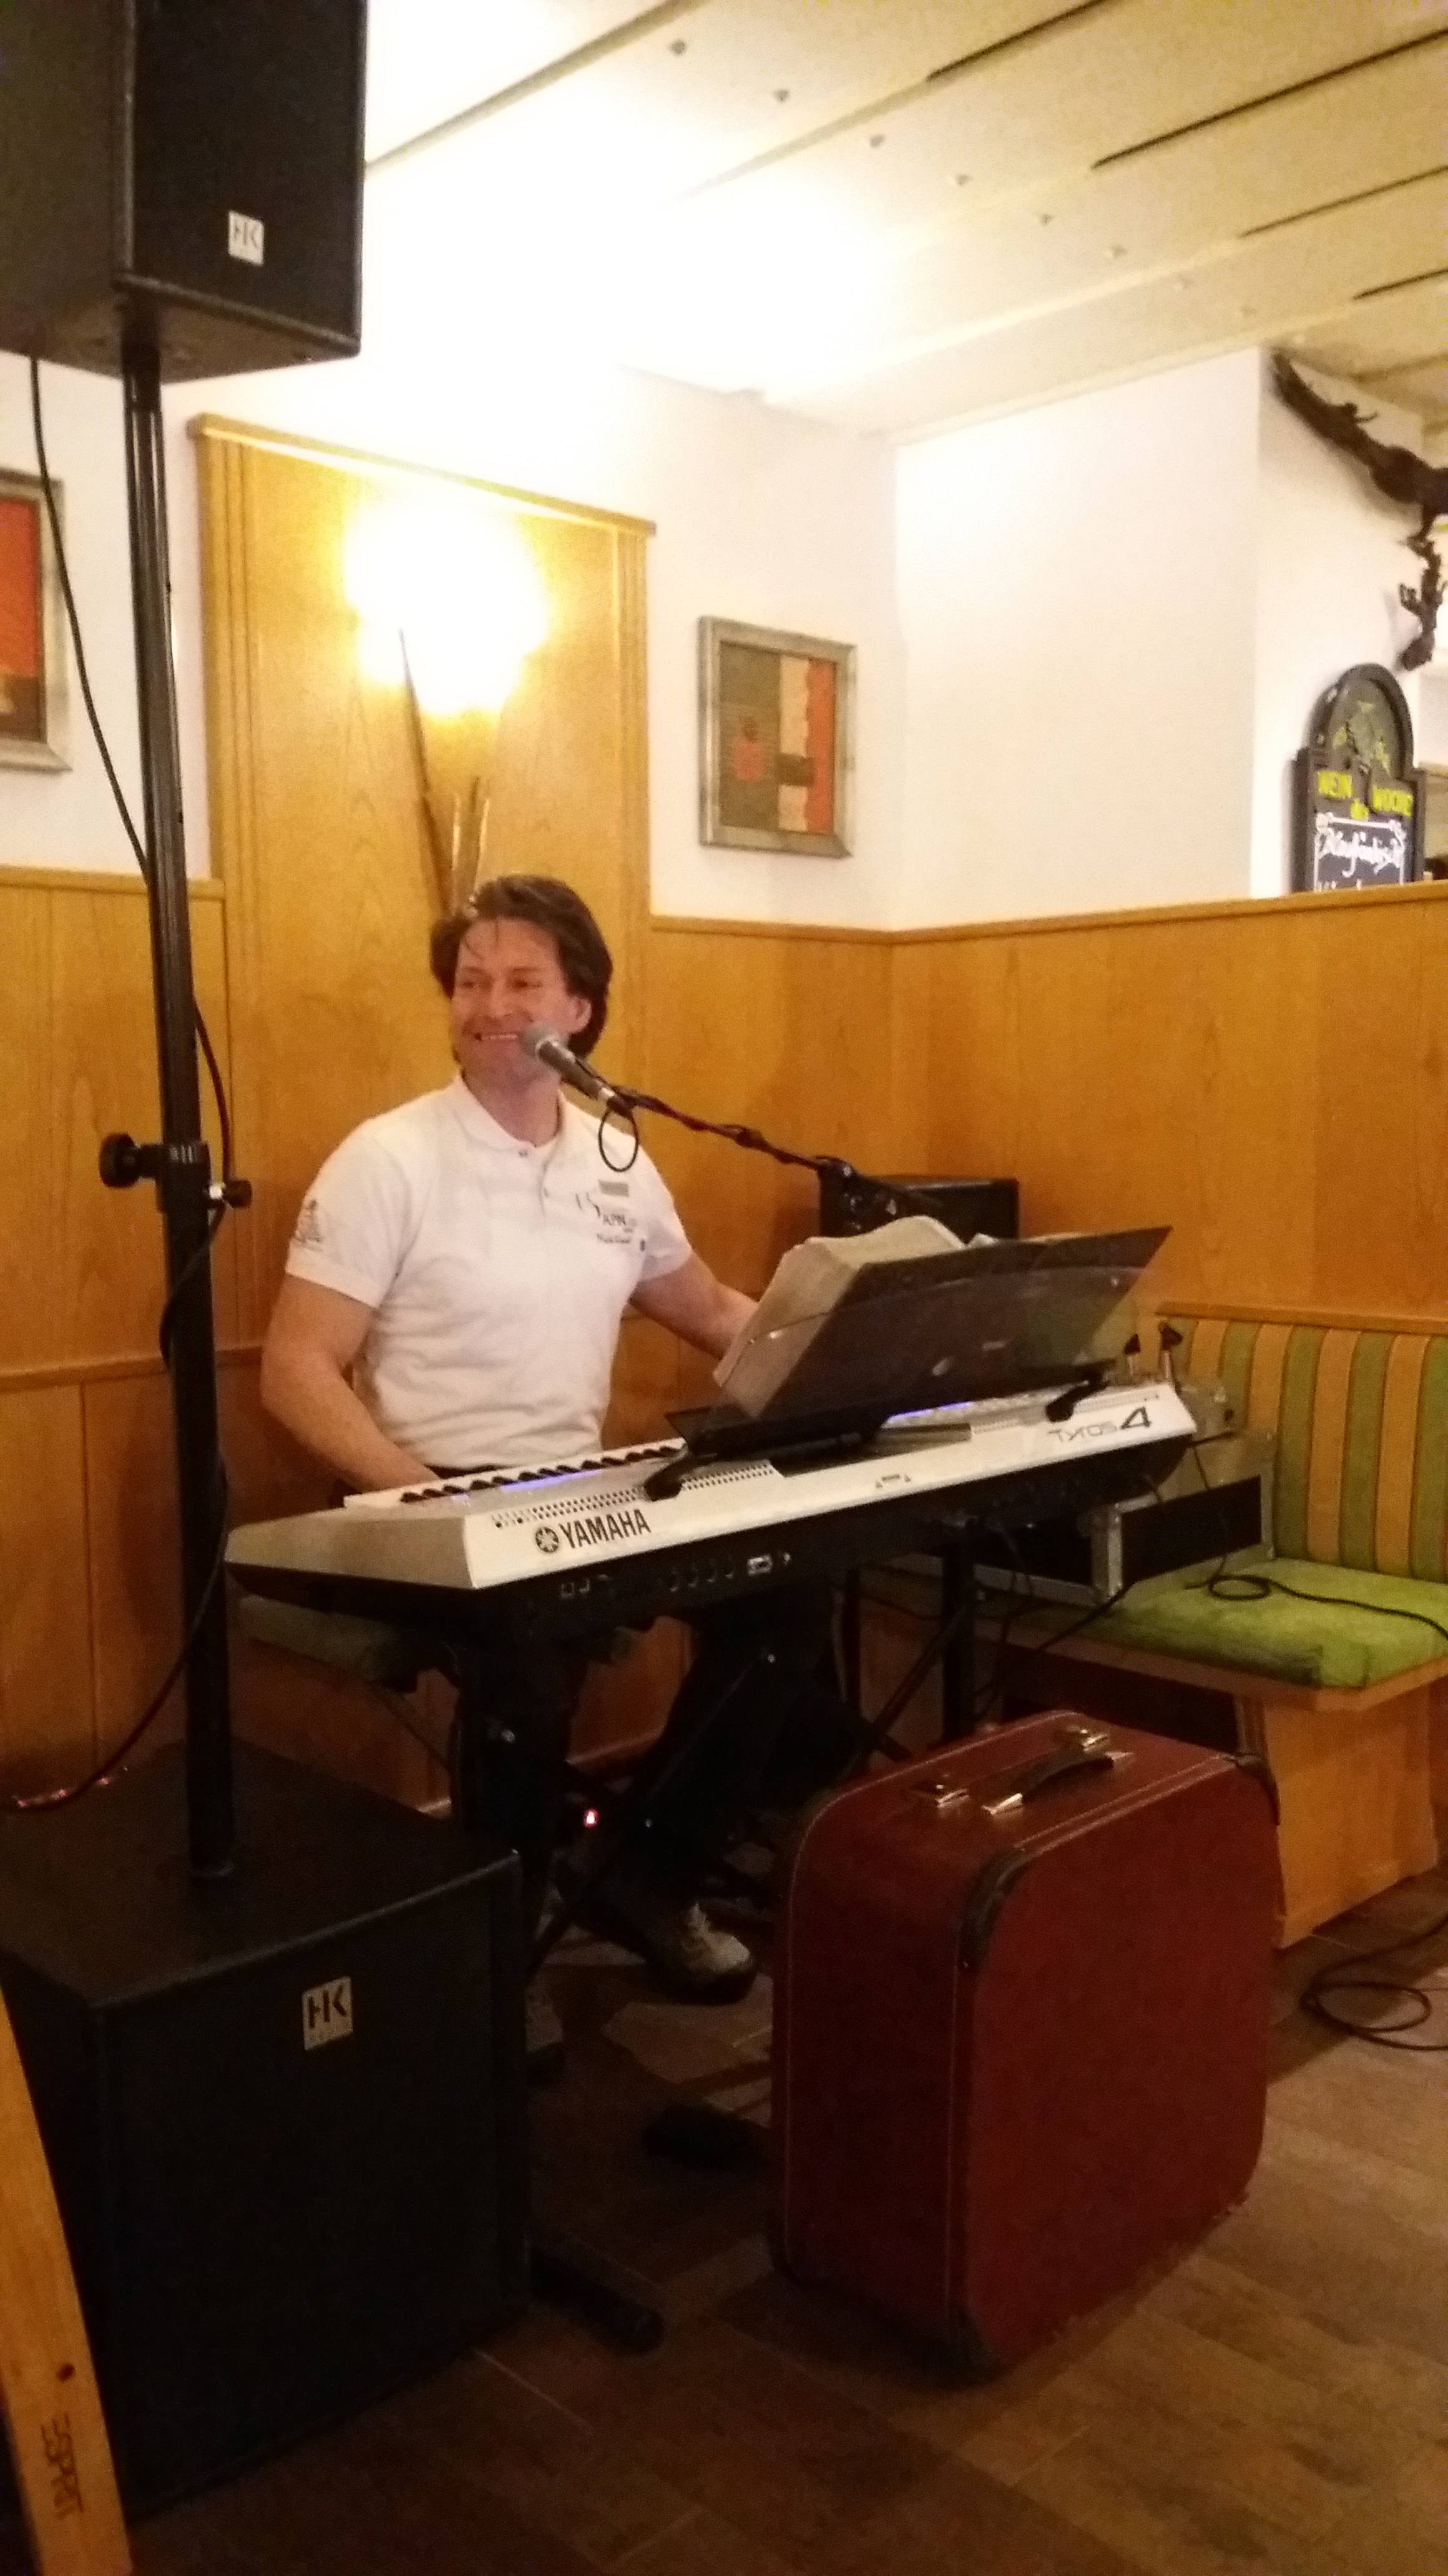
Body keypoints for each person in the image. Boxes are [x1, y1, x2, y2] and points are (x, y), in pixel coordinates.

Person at [261, 873, 838, 2074]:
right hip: (422, 1487)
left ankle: (649, 1871)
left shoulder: (614, 1159)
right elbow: (296, 1372)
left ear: (579, 1009)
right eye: (471, 982)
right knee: (527, 1659)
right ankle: (503, 1946)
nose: (489, 1005)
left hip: (577, 1488)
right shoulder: (389, 1159)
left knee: (786, 1600)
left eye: (522, 981)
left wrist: (850, 1354)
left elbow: (711, 1310)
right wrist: (427, 1497)